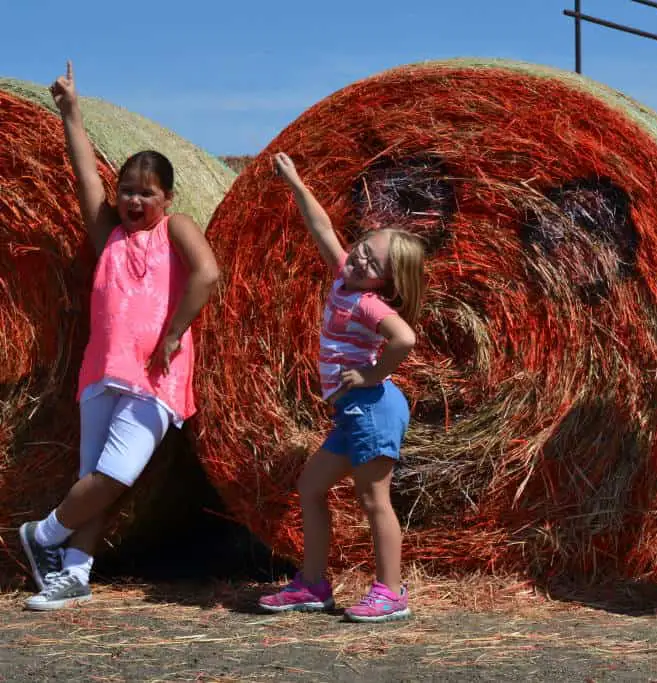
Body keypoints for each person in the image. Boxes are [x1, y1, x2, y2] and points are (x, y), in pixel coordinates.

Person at [19, 61, 220, 610]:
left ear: (167, 199)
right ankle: (73, 576)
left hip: (154, 374)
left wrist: (175, 333)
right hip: (100, 369)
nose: (134, 201)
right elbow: (86, 176)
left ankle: (43, 535)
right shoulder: (108, 234)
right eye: (127, 191)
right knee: (92, 478)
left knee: (114, 475)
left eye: (146, 194)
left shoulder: (175, 230)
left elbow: (207, 273)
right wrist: (70, 112)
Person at [258, 153, 425, 623]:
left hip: (372, 406)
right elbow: (323, 228)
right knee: (310, 487)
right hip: (352, 411)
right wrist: (294, 181)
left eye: (373, 262)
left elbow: (404, 338)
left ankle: (391, 592)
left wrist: (372, 375)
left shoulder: (369, 305)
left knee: (375, 500)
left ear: (387, 281)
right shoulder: (344, 278)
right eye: (363, 248)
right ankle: (312, 584)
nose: (360, 258)